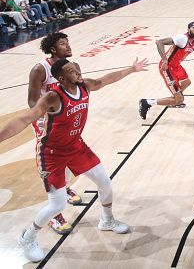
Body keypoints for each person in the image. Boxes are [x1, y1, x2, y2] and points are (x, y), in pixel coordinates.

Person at [0, 57, 149, 263]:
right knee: (57, 205)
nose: (77, 71)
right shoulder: (53, 97)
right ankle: (28, 237)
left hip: (77, 147)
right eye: (71, 70)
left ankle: (107, 220)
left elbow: (105, 80)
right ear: (61, 78)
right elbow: (26, 118)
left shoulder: (85, 85)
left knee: (105, 183)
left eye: (76, 67)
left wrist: (131, 69)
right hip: (52, 154)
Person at [28, 32, 82, 235]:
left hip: (66, 120)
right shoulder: (40, 69)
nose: (68, 46)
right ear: (52, 49)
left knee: (69, 157)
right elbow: (33, 101)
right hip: (47, 124)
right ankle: (55, 215)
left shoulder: (72, 66)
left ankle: (64, 188)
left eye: (68, 42)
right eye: (62, 44)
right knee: (52, 164)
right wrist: (47, 119)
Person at [138, 22, 194, 119]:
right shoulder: (182, 39)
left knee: (187, 82)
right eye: (193, 28)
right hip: (167, 68)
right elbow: (159, 42)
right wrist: (165, 60)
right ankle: (147, 102)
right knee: (180, 99)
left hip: (176, 66)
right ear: (188, 30)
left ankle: (175, 99)